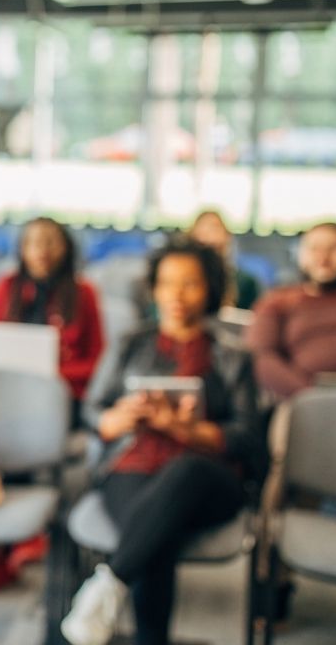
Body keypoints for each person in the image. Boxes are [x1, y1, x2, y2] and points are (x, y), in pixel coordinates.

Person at [61, 240, 262, 645]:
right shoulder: (131, 343)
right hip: (133, 463)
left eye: (190, 284)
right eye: (167, 283)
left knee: (181, 476)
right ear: (153, 288)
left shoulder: (233, 355)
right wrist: (116, 419)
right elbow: (93, 411)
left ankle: (109, 586)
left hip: (208, 476)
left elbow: (248, 438)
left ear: (210, 289)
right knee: (157, 532)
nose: (177, 294)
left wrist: (187, 431)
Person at [0, 217, 105, 592]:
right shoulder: (6, 288)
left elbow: (97, 362)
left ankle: (28, 536)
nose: (42, 251)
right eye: (34, 242)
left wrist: (51, 373)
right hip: (7, 399)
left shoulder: (84, 294)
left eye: (51, 242)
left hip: (62, 400)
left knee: (30, 430)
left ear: (66, 248)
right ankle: (5, 545)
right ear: (22, 250)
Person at [246, 221, 336, 401]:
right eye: (314, 249)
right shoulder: (277, 302)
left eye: (334, 248)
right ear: (300, 256)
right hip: (306, 402)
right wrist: (309, 396)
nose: (323, 257)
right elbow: (261, 356)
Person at [187, 210, 260, 310]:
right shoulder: (180, 279)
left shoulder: (245, 282)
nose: (210, 234)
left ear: (228, 237)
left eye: (215, 228)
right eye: (204, 230)